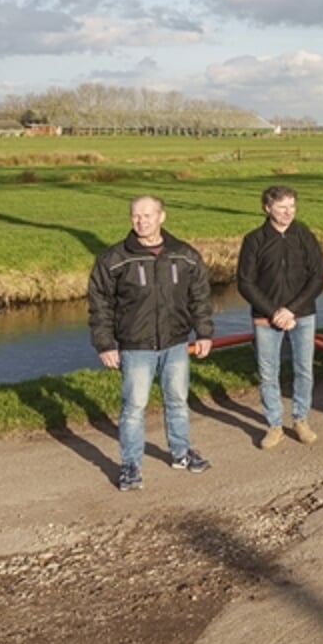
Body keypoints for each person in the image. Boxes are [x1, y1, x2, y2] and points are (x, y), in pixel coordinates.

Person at [88, 195, 215, 491]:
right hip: (136, 346)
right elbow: (100, 305)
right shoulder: (114, 259)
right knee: (133, 407)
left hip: (175, 343)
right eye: (135, 216)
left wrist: (204, 333)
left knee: (178, 401)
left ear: (162, 216)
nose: (141, 221)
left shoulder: (185, 255)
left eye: (147, 215)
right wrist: (105, 343)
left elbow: (200, 298)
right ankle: (131, 465)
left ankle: (181, 453)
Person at [236, 184, 323, 450]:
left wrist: (292, 310)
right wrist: (273, 311)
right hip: (266, 318)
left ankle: (300, 419)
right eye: (282, 207)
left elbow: (318, 276)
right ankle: (274, 424)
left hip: (303, 315)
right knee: (268, 373)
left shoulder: (304, 235)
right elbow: (245, 282)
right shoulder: (254, 240)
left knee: (304, 369)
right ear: (267, 208)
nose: (288, 212)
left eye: (292, 207)